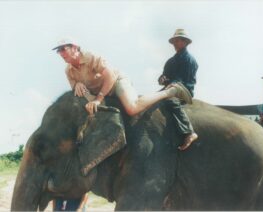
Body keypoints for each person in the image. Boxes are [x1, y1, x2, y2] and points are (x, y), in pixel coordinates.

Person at [52, 38, 192, 116]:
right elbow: (78, 94)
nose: (61, 53)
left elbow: (110, 76)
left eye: (63, 49)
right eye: (58, 51)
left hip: (115, 82)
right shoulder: (68, 71)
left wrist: (98, 99)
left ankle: (171, 91)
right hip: (98, 92)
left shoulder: (90, 57)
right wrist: (77, 85)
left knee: (132, 108)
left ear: (75, 47)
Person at [158, 29, 198, 151]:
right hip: (169, 89)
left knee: (171, 101)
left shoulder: (190, 60)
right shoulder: (170, 61)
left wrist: (173, 84)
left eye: (178, 40)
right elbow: (164, 76)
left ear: (185, 42)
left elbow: (185, 80)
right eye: (174, 41)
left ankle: (189, 132)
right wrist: (162, 79)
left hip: (184, 90)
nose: (175, 43)